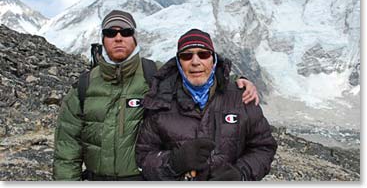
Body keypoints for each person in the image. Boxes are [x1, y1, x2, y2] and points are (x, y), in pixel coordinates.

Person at [52, 11, 259, 181]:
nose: (118, 38)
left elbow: (197, 72)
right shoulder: (84, 85)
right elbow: (67, 148)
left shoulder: (154, 75)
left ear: (134, 37)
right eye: (110, 32)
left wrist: (238, 81)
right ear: (103, 39)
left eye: (125, 31)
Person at [136, 28, 277, 181]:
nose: (195, 62)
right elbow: (144, 157)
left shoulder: (241, 97)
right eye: (186, 56)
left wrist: (240, 174)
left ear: (214, 60)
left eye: (203, 54)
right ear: (178, 63)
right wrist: (174, 162)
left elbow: (263, 147)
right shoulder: (161, 102)